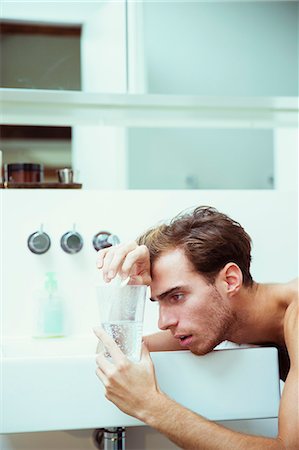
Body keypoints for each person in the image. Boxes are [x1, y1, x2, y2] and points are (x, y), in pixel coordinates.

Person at [94, 206, 298, 449]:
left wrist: (150, 405)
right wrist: (128, 284)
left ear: (230, 281)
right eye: (159, 301)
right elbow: (112, 353)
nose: (163, 322)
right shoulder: (225, 322)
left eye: (177, 296)